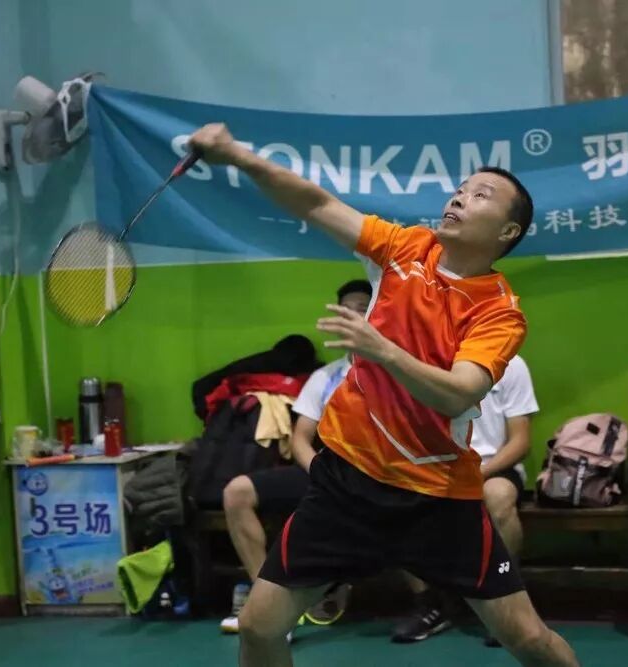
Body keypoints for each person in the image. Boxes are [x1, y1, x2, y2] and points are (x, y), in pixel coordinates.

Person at [189, 123, 578, 667]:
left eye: (480, 195)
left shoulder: (498, 311)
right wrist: (237, 156)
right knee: (258, 627)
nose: (460, 197)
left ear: (508, 230)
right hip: (347, 483)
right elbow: (317, 203)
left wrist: (383, 351)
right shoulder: (404, 248)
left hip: (437, 498)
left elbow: (458, 393)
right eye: (460, 189)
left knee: (529, 640)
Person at [220, 280, 372, 633]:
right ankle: (267, 608)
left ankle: (427, 601)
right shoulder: (325, 377)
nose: (353, 316)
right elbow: (301, 438)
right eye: (346, 309)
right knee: (236, 492)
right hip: (326, 472)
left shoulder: (397, 371)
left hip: (378, 475)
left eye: (362, 308)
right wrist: (320, 471)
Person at [394, 354, 539, 646]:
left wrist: (478, 473)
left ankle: (505, 600)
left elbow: (520, 441)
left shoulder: (509, 363)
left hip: (493, 467)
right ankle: (430, 604)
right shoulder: (418, 360)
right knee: (392, 497)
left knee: (498, 497)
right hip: (435, 467)